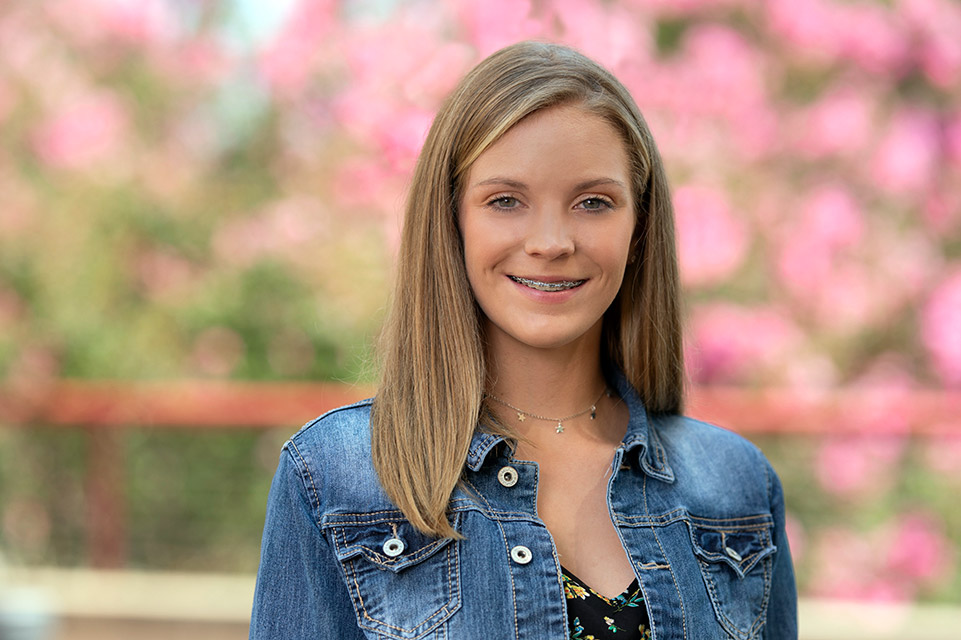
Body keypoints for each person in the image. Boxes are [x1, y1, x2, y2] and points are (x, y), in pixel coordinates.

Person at [249, 41, 797, 639]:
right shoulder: (336, 475)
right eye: (506, 201)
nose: (551, 241)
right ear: (453, 220)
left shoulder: (736, 486)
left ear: (638, 228)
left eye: (593, 202)